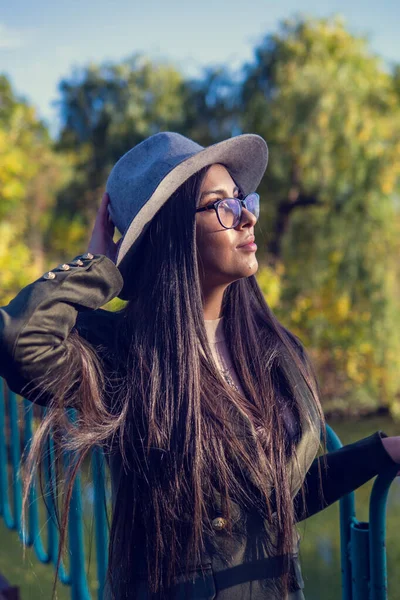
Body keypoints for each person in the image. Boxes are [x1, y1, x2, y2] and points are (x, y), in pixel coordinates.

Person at [0, 131, 399, 600]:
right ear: (171, 230)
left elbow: (274, 498)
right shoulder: (122, 355)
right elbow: (19, 339)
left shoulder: (276, 353)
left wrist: (381, 453)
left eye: (242, 200)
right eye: (221, 206)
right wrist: (98, 266)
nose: (246, 216)